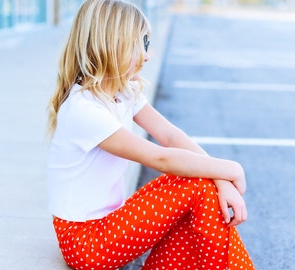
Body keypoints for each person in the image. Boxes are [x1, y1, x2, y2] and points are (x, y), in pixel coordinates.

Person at [46, 0, 255, 269]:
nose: (147, 56)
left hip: (108, 226)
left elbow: (170, 136)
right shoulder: (84, 109)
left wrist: (221, 179)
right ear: (113, 43)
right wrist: (231, 168)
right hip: (86, 242)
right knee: (195, 186)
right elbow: (161, 158)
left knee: (197, 184)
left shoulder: (122, 92)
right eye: (140, 45)